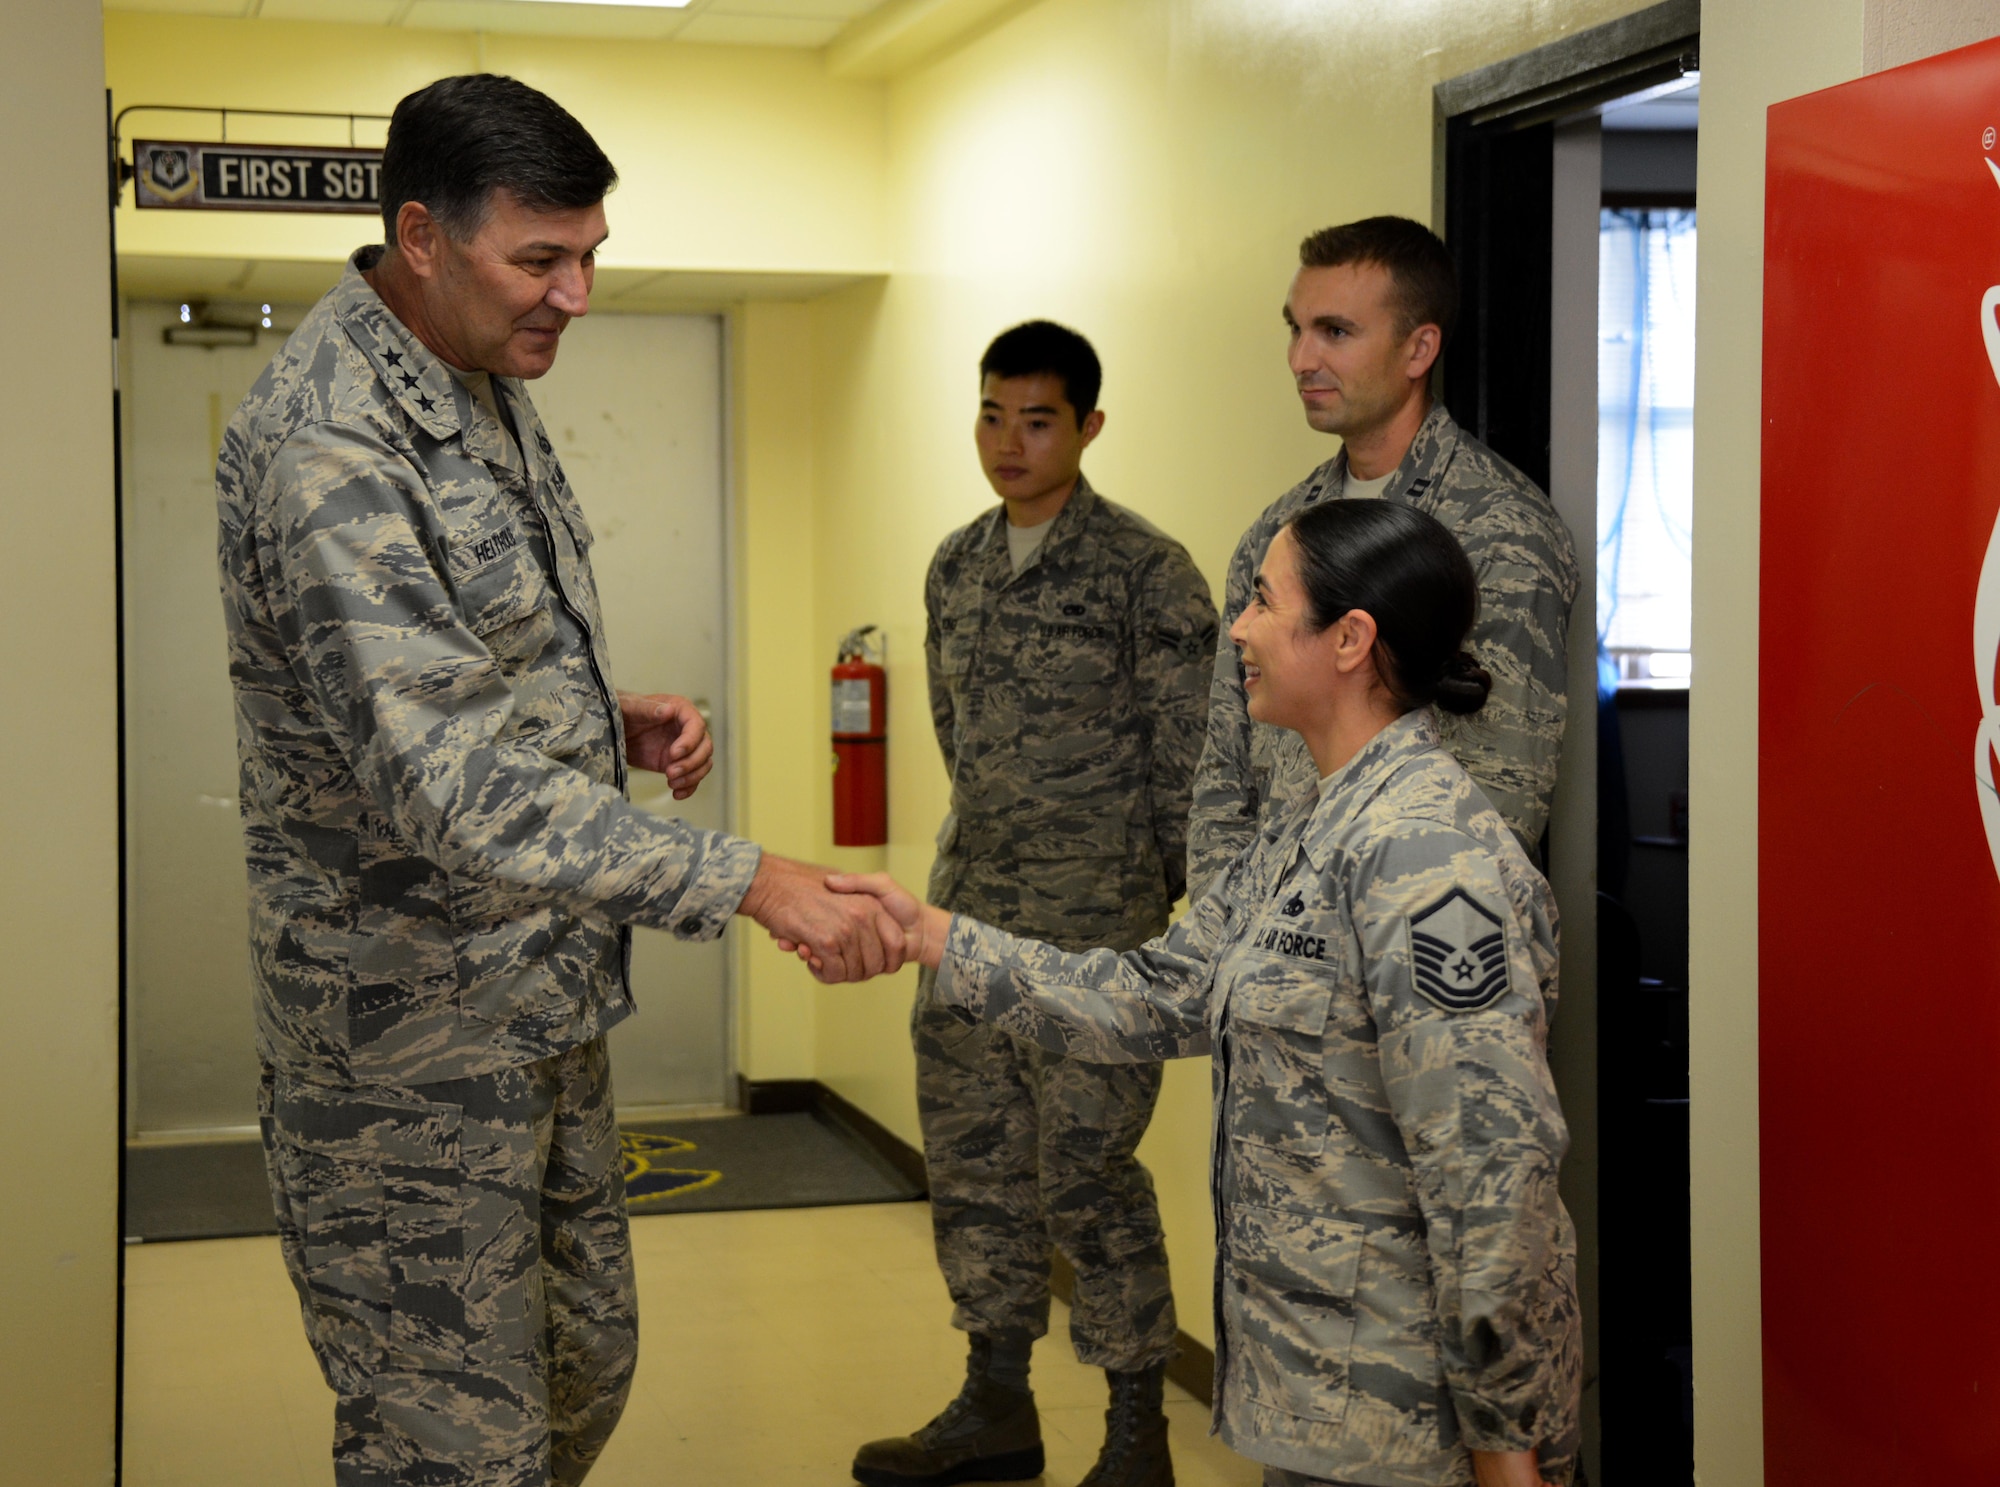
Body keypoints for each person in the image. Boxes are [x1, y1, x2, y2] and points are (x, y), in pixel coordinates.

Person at [217, 74, 903, 1487]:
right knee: (454, 1449)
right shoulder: (333, 441)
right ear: (421, 235)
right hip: (410, 1056)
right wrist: (756, 879)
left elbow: (462, 668)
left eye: (589, 253)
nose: (577, 294)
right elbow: (453, 787)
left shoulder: (476, 377)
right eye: (542, 259)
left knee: (581, 1369)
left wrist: (600, 710)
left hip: (532, 1004)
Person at [813, 500, 1581, 1487]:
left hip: (1415, 1424)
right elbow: (1156, 989)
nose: (1238, 629)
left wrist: (1503, 1447)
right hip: (1318, 1405)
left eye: (1263, 601)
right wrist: (932, 936)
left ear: (1348, 640)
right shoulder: (1307, 829)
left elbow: (1488, 1176)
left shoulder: (1427, 858)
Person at [852, 323, 1218, 1487]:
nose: (1008, 443)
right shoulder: (955, 565)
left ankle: (1133, 1431)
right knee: (972, 1162)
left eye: (1038, 419)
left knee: (1088, 1175)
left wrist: (1155, 914)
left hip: (1096, 937)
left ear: (1088, 427)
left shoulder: (1144, 573)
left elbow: (1188, 766)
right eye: (991, 415)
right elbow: (958, 737)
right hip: (966, 920)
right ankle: (996, 1402)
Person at [1187, 217, 1579, 899]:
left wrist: (1335, 948)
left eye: (1334, 332)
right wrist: (1231, 944)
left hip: (1400, 956)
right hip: (1265, 958)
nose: (1301, 358)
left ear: (1418, 348)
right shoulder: (1278, 532)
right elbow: (1227, 766)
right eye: (1295, 328)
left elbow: (1498, 803)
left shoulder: (1498, 530)